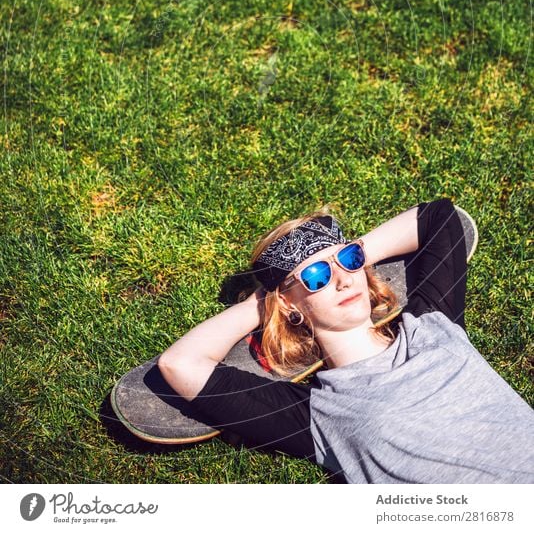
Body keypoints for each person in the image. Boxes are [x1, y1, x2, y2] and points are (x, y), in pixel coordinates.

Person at [158, 198, 534, 483]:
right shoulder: (317, 415)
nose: (342, 279)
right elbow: (181, 364)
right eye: (318, 276)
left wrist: (352, 255)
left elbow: (438, 216)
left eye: (348, 261)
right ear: (292, 305)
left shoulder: (433, 324)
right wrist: (268, 300)